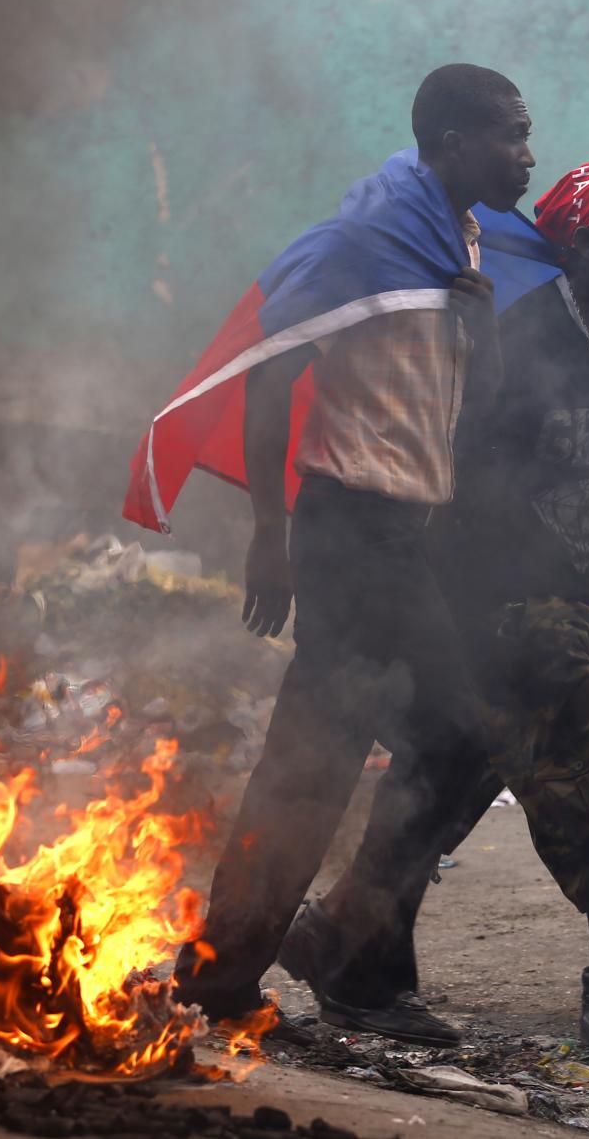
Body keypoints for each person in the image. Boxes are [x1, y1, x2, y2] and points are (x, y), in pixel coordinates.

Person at [280, 159, 589, 1055]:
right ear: (580, 242)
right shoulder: (525, 331)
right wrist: (482, 354)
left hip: (562, 601)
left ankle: (338, 940)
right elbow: (453, 453)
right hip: (490, 604)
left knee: (443, 789)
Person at [168, 65, 534, 1038]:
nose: (527, 156)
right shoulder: (363, 241)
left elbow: (476, 407)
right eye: (511, 135)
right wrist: (264, 530)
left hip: (400, 532)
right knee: (445, 741)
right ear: (453, 143)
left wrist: (480, 323)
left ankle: (248, 965)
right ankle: (338, 952)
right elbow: (267, 371)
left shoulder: (453, 240)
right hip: (347, 527)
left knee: (321, 756)